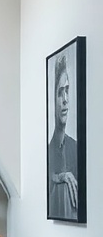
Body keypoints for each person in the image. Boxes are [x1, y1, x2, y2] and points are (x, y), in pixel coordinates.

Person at [48, 52, 78, 219]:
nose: (65, 99)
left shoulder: (75, 147)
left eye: (67, 90)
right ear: (53, 99)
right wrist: (59, 177)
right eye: (60, 92)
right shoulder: (49, 151)